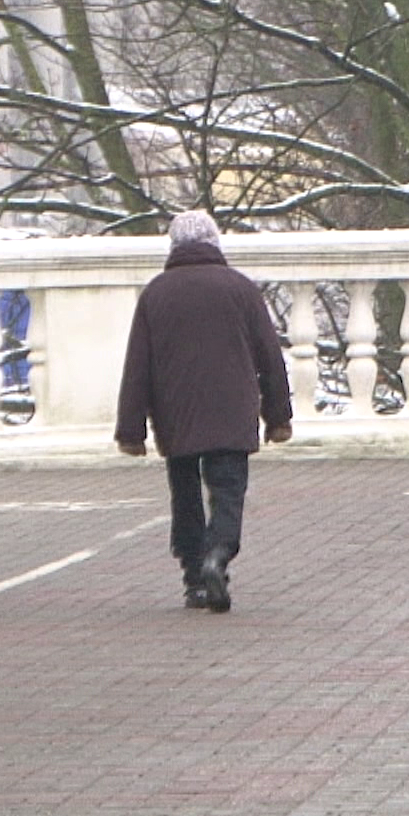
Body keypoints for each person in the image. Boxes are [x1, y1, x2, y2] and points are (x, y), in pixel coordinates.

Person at [116, 211, 294, 612]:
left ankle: (195, 577)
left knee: (186, 494)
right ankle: (219, 553)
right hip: (232, 408)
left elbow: (137, 365)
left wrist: (131, 430)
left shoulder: (156, 293)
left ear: (174, 247)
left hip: (175, 411)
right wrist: (278, 415)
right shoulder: (241, 289)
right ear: (215, 243)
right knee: (228, 491)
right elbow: (269, 355)